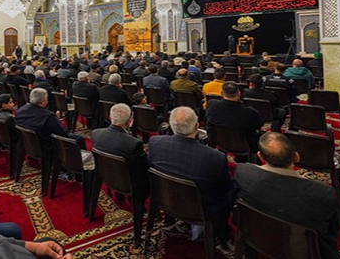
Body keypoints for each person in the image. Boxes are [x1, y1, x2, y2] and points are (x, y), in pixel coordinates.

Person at [235, 132, 340, 259]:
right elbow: (336, 227)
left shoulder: (243, 172)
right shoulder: (323, 193)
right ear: (296, 157)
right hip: (303, 250)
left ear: (260, 156)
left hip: (257, 236)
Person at [148, 107, 233, 241]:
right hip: (201, 210)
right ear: (197, 126)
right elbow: (225, 188)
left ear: (171, 125)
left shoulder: (155, 143)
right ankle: (222, 232)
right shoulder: (214, 157)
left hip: (166, 199)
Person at [91, 103, 149, 202]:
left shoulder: (95, 133)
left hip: (105, 174)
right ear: (129, 121)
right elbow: (144, 167)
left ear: (110, 117)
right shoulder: (133, 143)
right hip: (129, 183)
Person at [15, 88, 85, 159]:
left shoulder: (20, 111)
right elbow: (62, 133)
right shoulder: (48, 116)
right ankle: (78, 162)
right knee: (79, 138)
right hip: (46, 147)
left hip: (28, 144)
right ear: (43, 101)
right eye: (46, 99)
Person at [206, 82, 264, 155]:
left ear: (221, 93)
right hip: (245, 146)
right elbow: (259, 124)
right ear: (239, 93)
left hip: (220, 143)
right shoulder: (250, 112)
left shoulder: (211, 106)